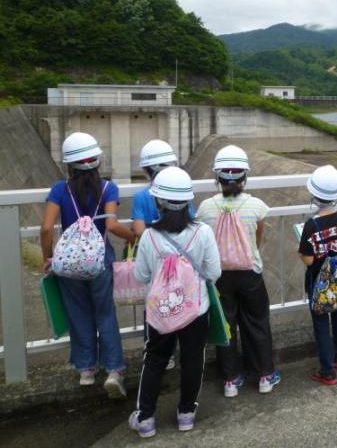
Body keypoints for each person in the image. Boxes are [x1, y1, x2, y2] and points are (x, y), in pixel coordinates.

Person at [40, 132, 136, 397]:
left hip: (68, 263)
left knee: (78, 313)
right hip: (99, 261)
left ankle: (86, 369)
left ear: (69, 164)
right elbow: (113, 225)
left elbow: (47, 228)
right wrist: (133, 238)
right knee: (105, 313)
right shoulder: (108, 188)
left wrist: (48, 258)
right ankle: (114, 370)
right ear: (97, 161)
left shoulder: (60, 189)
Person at [129, 167, 221, 437]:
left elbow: (141, 275)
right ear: (188, 201)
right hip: (195, 310)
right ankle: (186, 415)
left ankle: (145, 418)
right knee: (192, 359)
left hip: (160, 312)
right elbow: (214, 273)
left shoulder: (148, 236)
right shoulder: (202, 232)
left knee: (155, 358)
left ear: (158, 202)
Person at [196, 145, 280, 397]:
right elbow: (258, 237)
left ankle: (230, 380)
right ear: (244, 177)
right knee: (257, 322)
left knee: (226, 325)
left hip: (220, 276)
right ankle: (265, 375)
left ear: (217, 178)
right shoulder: (257, 206)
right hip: (249, 272)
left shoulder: (205, 208)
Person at [297, 165, 337, 386]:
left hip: (318, 281)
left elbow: (308, 260)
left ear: (314, 195)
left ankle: (327, 370)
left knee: (321, 321)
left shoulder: (311, 225)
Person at [131, 139, 185, 371]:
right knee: (181, 303)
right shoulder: (182, 192)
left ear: (146, 170)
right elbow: (189, 223)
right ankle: (178, 350)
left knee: (155, 306)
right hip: (181, 263)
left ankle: (159, 353)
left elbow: (139, 232)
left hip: (155, 264)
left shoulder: (142, 197)